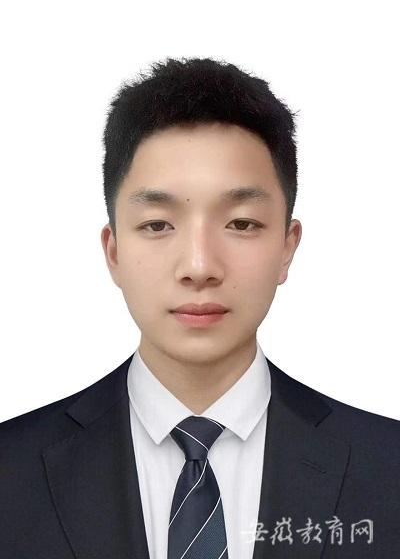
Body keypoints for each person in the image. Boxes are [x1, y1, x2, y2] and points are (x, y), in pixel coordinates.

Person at [0, 56, 399, 559]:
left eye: (242, 224)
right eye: (158, 225)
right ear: (114, 251)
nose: (199, 266)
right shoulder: (11, 469)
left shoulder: (386, 466)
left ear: (287, 246)